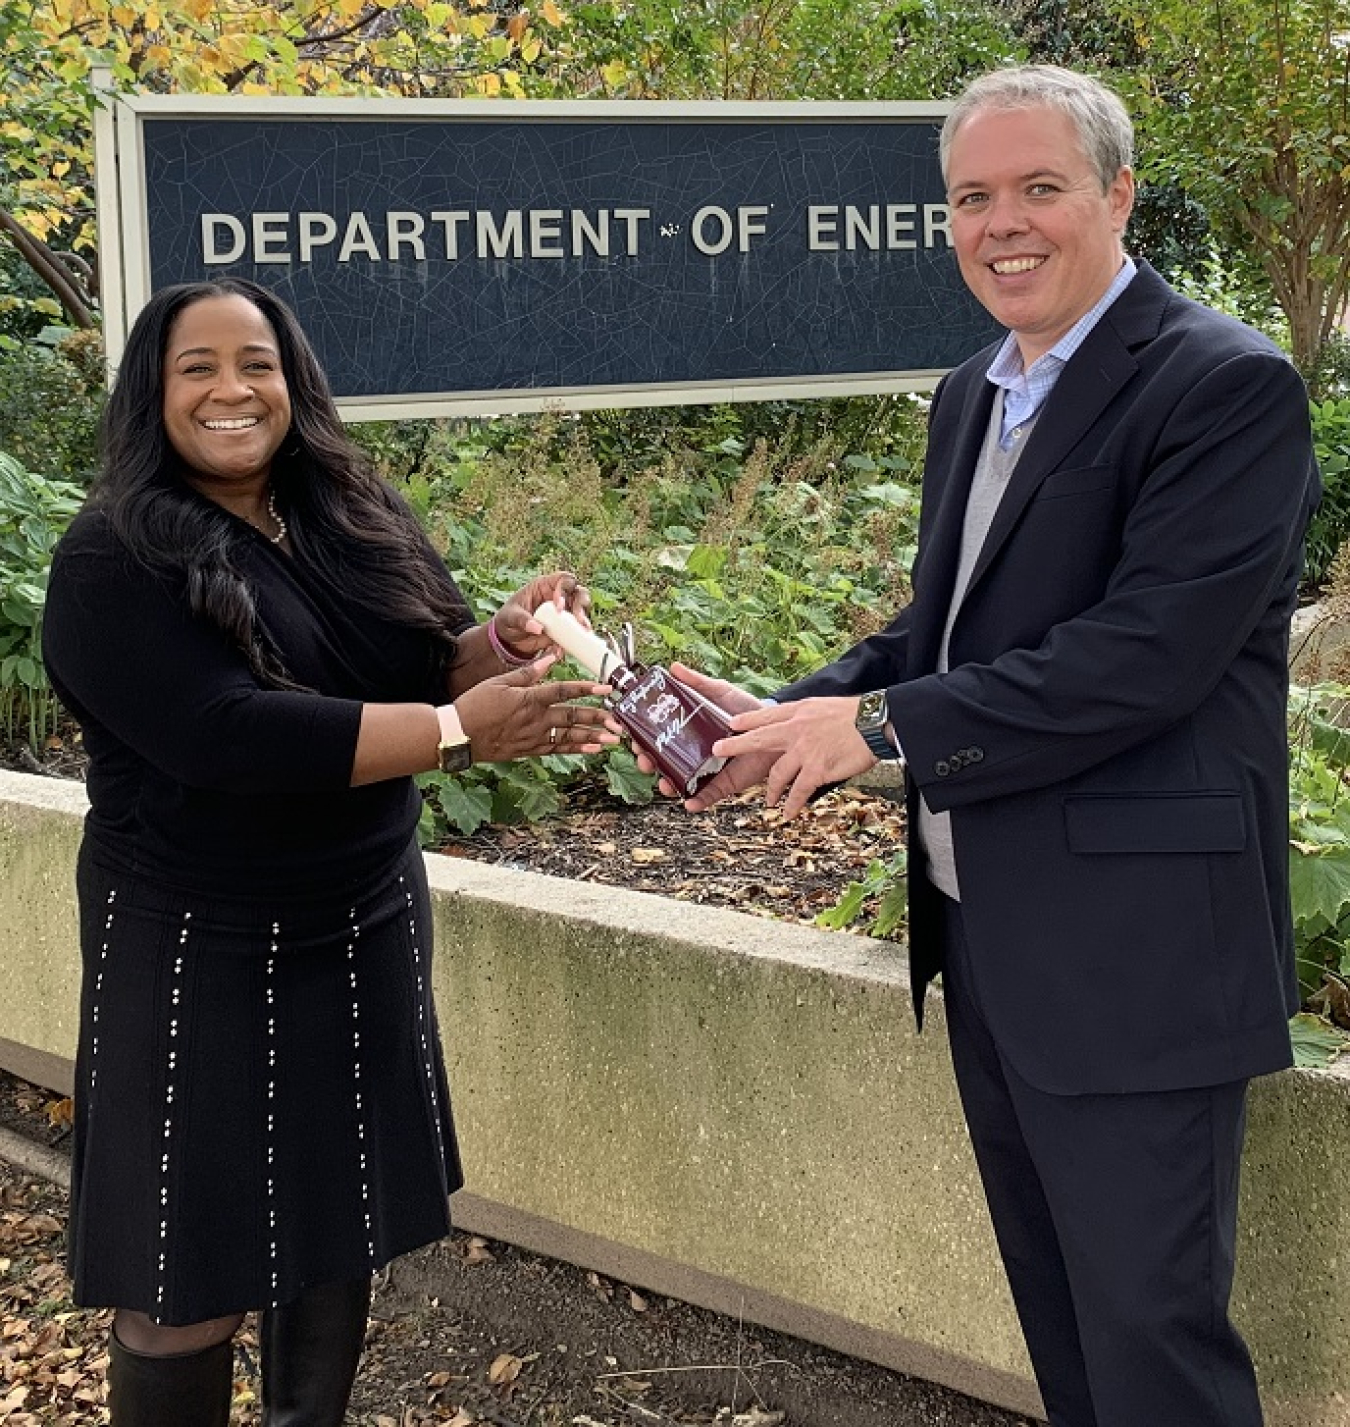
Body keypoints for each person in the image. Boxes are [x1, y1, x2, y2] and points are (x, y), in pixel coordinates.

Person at [652, 65, 1320, 1427]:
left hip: (1134, 956)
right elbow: (943, 630)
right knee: (1067, 1332)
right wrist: (789, 715)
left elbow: (1142, 657)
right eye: (970, 197)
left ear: (1115, 196)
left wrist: (877, 728)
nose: (1000, 223)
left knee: (1153, 1348)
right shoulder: (975, 390)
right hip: (993, 935)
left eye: (1037, 189)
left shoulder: (1221, 385)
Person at [41, 275, 622, 1427]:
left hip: (357, 918)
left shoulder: (346, 507)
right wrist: (460, 732)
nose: (229, 389)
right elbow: (227, 734)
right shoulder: (115, 555)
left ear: (291, 379)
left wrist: (495, 643)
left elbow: (419, 662)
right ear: (150, 394)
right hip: (195, 941)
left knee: (331, 1220)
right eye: (195, 366)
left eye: (253, 362)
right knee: (185, 1269)